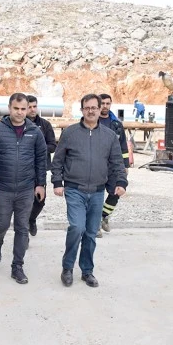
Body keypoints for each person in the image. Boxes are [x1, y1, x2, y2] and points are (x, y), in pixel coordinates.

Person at [52, 94, 127, 288]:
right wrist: (57, 182)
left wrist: (121, 181)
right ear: (82, 110)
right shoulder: (70, 133)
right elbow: (58, 160)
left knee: (91, 233)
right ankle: (67, 268)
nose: (91, 111)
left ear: (100, 109)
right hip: (74, 189)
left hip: (97, 191)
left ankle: (87, 271)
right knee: (77, 227)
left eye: (94, 107)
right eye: (87, 108)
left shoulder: (109, 136)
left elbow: (117, 162)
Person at [0, 93, 47, 284]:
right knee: (1, 224)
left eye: (23, 109)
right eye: (16, 108)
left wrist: (40, 184)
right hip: (2, 188)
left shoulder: (35, 131)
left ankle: (17, 266)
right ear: (9, 108)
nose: (19, 112)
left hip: (26, 189)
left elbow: (41, 159)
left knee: (22, 227)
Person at [97, 94, 131, 238]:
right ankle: (95, 225)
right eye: (102, 103)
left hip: (113, 166)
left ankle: (104, 216)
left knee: (116, 192)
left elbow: (123, 145)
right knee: (96, 195)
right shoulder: (92, 121)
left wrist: (125, 165)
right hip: (96, 165)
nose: (105, 106)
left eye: (108, 103)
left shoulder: (116, 124)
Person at [25, 95, 57, 237]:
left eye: (34, 106)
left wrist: (38, 148)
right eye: (29, 107)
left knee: (39, 200)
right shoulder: (18, 124)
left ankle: (31, 219)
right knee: (24, 201)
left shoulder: (45, 125)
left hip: (40, 168)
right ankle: (23, 231)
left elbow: (52, 145)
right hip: (22, 168)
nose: (32, 110)